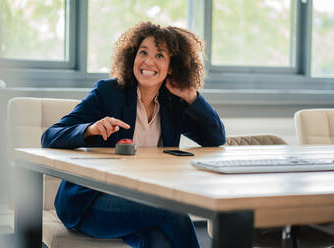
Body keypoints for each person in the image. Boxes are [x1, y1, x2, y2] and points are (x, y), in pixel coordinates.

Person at [41, 21, 226, 248]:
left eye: (160, 56)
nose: (148, 61)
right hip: (90, 203)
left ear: (172, 67)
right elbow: (51, 136)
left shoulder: (172, 104)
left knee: (159, 241)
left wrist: (191, 95)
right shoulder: (108, 93)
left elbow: (215, 138)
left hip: (142, 201)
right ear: (132, 57)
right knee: (173, 212)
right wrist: (90, 129)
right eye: (143, 53)